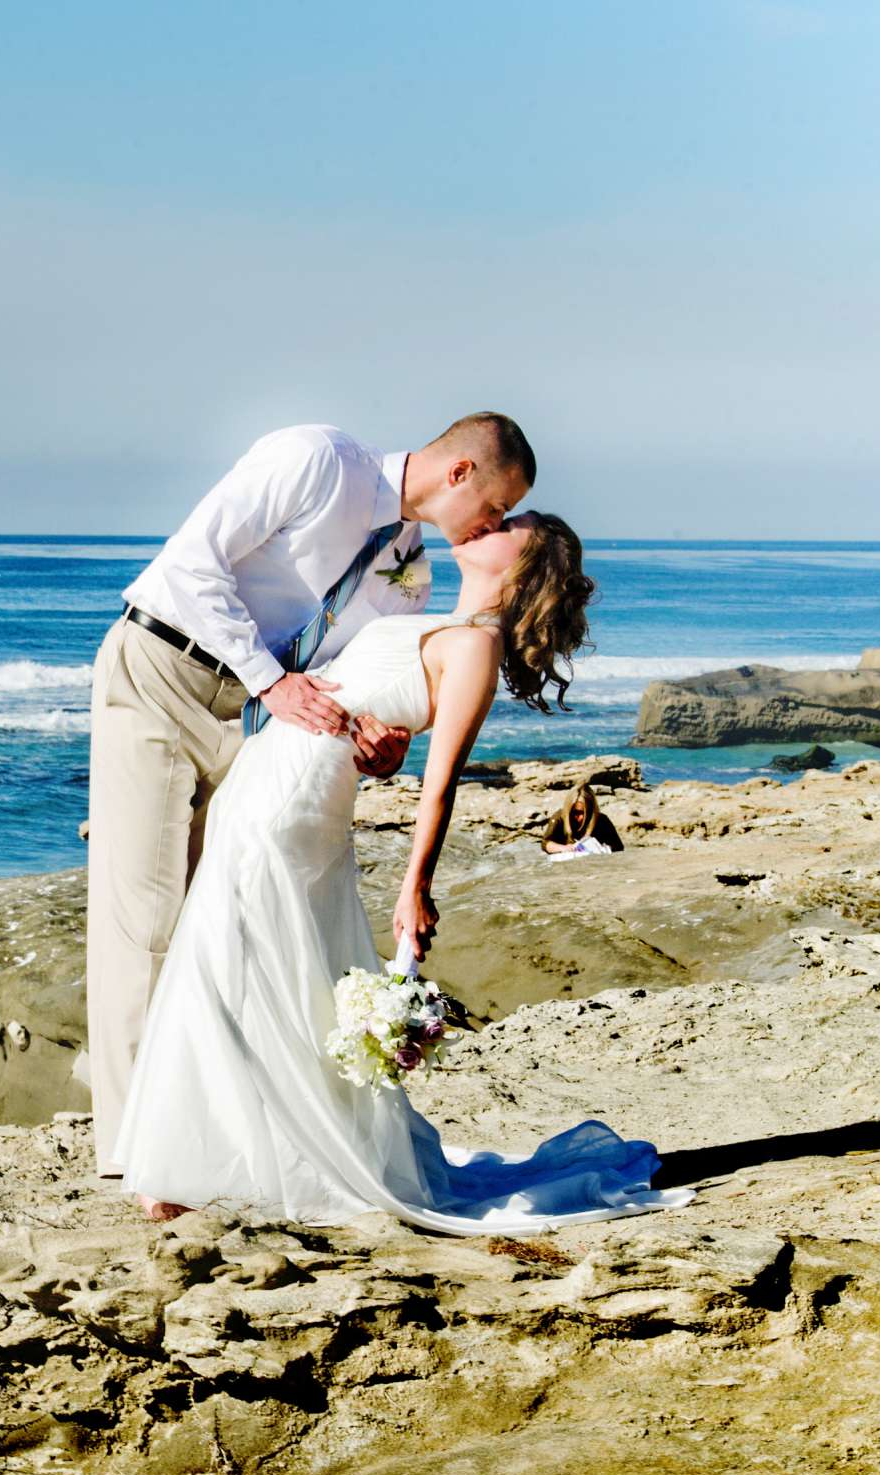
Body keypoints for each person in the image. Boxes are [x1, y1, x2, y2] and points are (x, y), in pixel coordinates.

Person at [112, 513, 689, 1234]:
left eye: (511, 525)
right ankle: (222, 1159)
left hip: (293, 809)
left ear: (519, 568)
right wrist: (364, 731)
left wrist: (415, 886)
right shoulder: (420, 610)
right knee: (242, 966)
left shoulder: (475, 647)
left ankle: (184, 1175)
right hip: (264, 782)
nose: (491, 521)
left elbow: (440, 784)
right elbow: (347, 690)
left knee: (232, 961)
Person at [86, 413, 535, 1180]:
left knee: (221, 920)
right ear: (459, 473)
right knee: (148, 919)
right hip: (164, 669)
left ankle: (213, 1135)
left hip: (260, 725)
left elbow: (352, 681)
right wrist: (273, 681)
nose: (493, 525)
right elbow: (194, 564)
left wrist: (378, 746)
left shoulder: (410, 575)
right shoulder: (317, 461)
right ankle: (134, 1156)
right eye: (494, 509)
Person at [540, 780, 624, 856]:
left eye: (587, 813)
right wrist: (564, 848)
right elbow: (545, 843)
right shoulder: (559, 818)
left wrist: (602, 850)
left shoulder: (602, 820)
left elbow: (618, 847)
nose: (581, 817)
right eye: (576, 812)